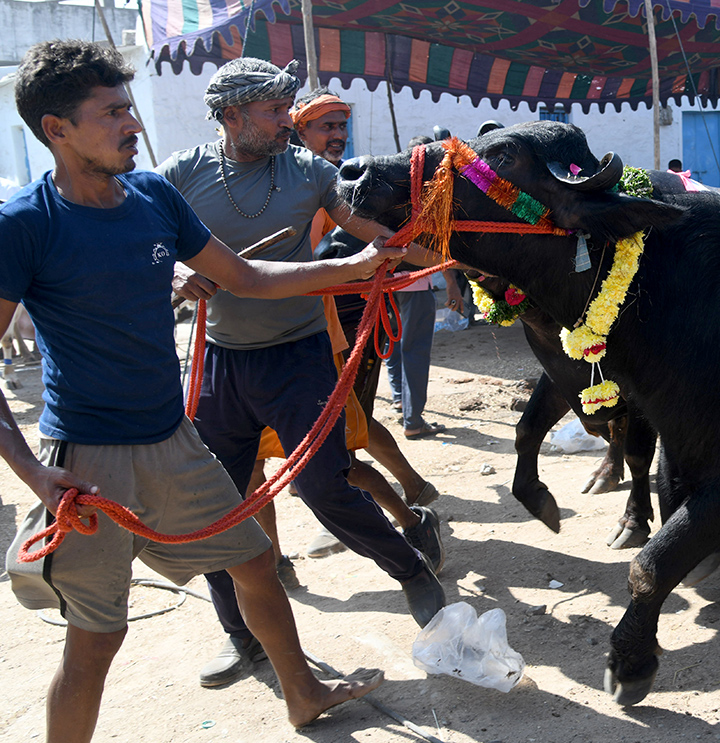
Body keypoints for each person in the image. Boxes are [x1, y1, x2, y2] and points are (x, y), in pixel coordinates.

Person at [1, 40, 390, 742]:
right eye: (113, 112)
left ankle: (301, 693)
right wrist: (33, 473)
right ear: (56, 129)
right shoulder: (25, 225)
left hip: (175, 439)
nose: (134, 125)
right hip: (90, 463)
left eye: (130, 107)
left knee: (254, 561)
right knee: (97, 642)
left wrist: (358, 268)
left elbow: (245, 276)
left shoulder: (152, 196)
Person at [158, 57, 447, 689]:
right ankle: (244, 640)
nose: (286, 121)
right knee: (220, 509)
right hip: (222, 366)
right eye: (271, 111)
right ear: (231, 117)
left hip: (299, 355)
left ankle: (412, 570)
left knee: (324, 487)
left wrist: (442, 255)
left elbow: (373, 231)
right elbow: (147, 244)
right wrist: (176, 274)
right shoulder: (180, 175)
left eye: (288, 108)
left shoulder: (310, 171)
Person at [270, 87, 446, 564]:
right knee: (340, 429)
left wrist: (453, 260)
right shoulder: (276, 179)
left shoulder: (339, 183)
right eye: (326, 126)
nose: (338, 135)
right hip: (276, 326)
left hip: (334, 324)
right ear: (296, 129)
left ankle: (404, 509)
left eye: (341, 125)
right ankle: (276, 559)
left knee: (348, 432)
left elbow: (386, 240)